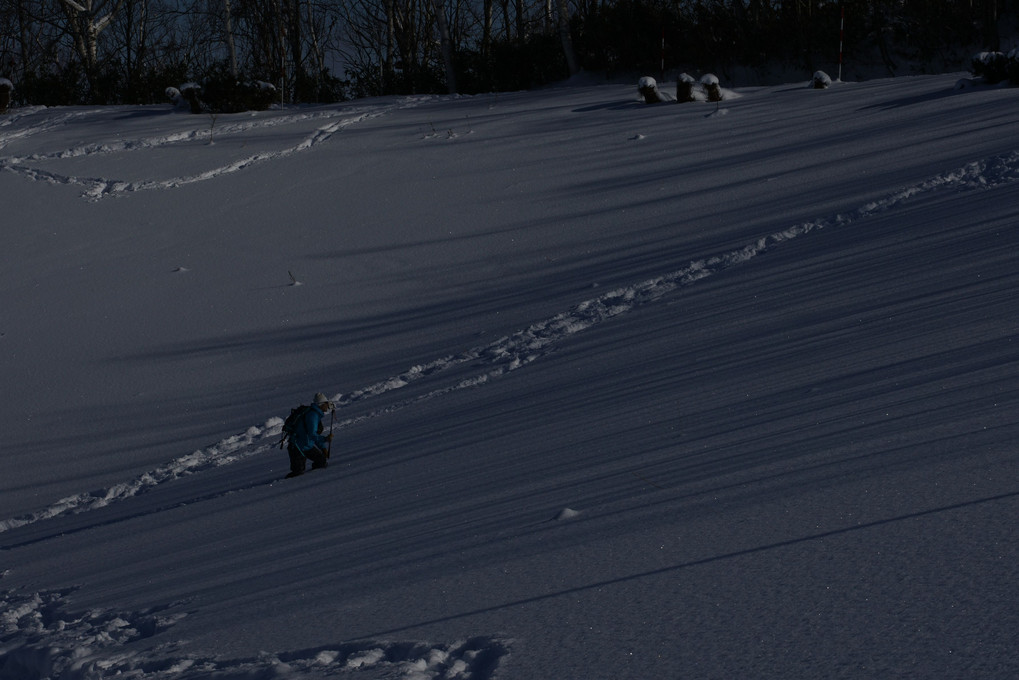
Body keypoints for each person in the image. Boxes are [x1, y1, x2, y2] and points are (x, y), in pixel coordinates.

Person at [286, 392, 333, 478]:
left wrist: (323, 448)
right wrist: (325, 439)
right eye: (326, 403)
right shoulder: (313, 416)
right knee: (297, 473)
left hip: (306, 446)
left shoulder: (315, 414)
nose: (328, 405)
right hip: (297, 447)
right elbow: (312, 435)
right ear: (321, 404)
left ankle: (313, 478)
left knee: (321, 461)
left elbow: (314, 435)